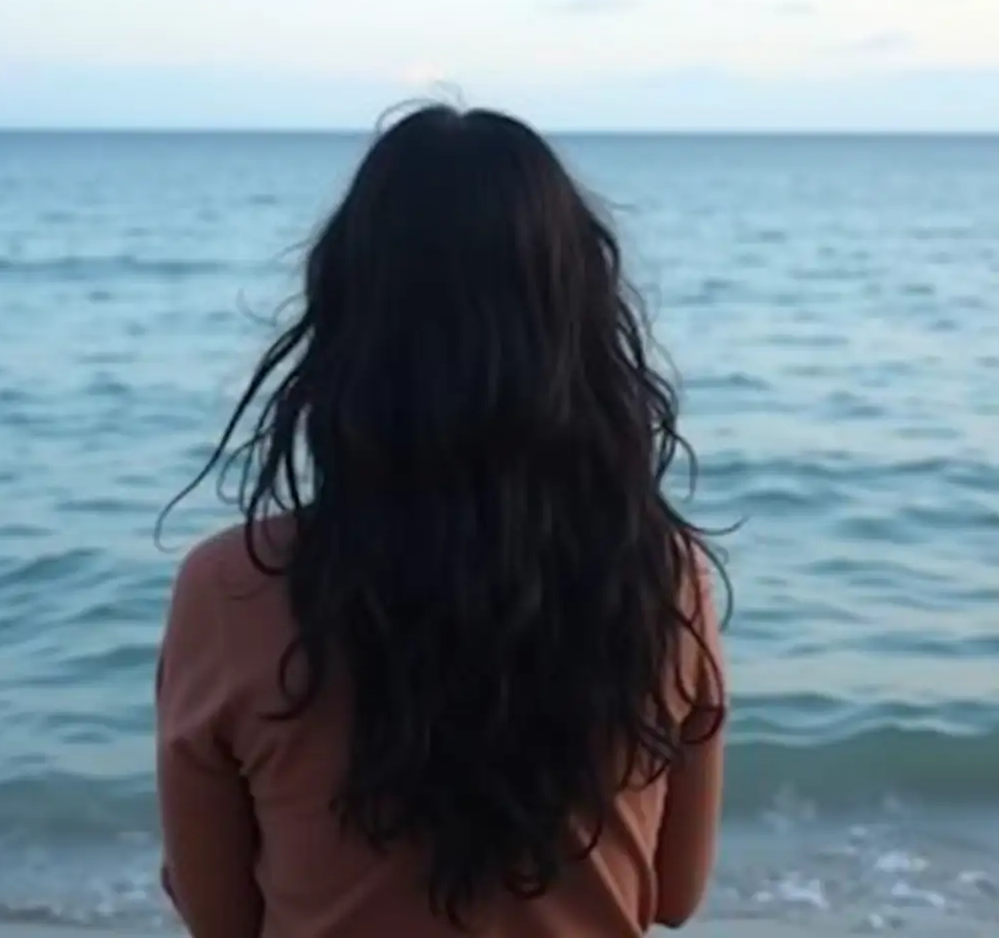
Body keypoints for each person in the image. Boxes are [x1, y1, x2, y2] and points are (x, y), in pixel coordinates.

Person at [155, 104, 728, 938]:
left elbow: (219, 919)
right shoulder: (655, 575)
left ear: (346, 328)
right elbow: (674, 893)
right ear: (578, 332)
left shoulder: (230, 589)